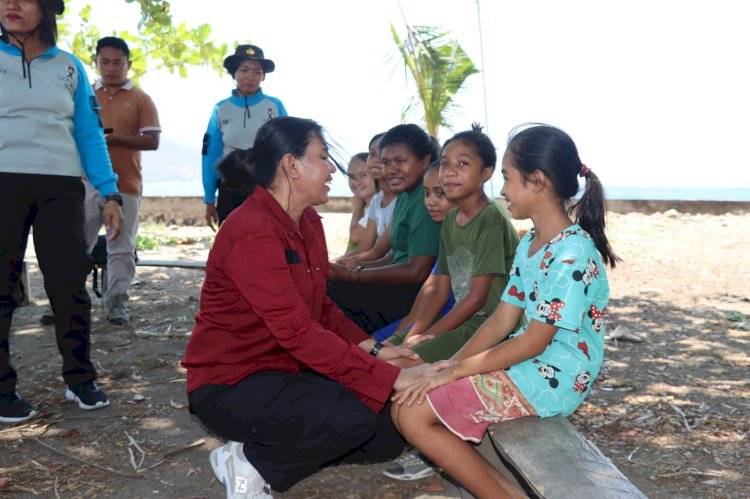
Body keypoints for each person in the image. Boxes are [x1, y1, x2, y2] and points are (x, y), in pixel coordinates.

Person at [182, 116, 425, 498]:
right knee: (357, 414)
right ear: (291, 166)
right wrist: (388, 375)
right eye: (323, 157)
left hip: (286, 370)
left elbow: (321, 308)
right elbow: (297, 331)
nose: (333, 169)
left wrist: (378, 350)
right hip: (232, 382)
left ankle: (278, 446)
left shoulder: (307, 220)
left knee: (387, 436)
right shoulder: (251, 230)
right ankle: (248, 461)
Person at [390, 124, 620, 498]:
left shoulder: (572, 253)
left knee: (414, 413)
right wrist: (450, 365)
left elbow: (533, 341)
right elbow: (502, 317)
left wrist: (457, 371)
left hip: (554, 377)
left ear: (538, 181)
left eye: (508, 179)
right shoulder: (530, 242)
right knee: (407, 403)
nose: (502, 190)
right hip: (528, 364)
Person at [0, 0, 124, 423]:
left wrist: (110, 194)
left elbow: (89, 135)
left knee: (70, 284)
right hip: (3, 183)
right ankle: (2, 390)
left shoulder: (69, 67)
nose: (9, 4)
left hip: (62, 188)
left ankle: (80, 379)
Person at [382, 125, 520, 481]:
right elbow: (440, 288)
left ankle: (429, 447)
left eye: (463, 163)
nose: (450, 172)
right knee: (391, 354)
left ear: (486, 173)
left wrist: (428, 337)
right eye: (445, 164)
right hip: (465, 322)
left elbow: (475, 300)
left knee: (406, 366)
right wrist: (414, 331)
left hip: (488, 326)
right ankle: (425, 443)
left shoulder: (490, 218)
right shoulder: (451, 220)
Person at [328, 124, 441, 333]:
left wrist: (354, 276)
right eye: (386, 162)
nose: (392, 169)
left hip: (413, 295)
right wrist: (353, 269)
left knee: (332, 297)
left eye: (400, 161)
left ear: (425, 161)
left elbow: (417, 271)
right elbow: (393, 256)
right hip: (396, 285)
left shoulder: (425, 201)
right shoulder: (405, 196)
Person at [86, 36, 161, 325]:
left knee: (122, 246)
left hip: (126, 184)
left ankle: (117, 304)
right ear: (96, 62)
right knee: (77, 242)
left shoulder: (141, 98)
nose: (111, 68)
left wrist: (114, 138)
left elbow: (152, 140)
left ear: (129, 64)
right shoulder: (84, 95)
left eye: (118, 62)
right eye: (105, 61)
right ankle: (65, 301)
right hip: (84, 182)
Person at [202, 43, 287, 229]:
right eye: (244, 70)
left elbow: (288, 150)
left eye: (257, 72)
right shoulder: (221, 109)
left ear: (263, 76)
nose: (251, 76)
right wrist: (209, 199)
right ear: (234, 74)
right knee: (232, 241)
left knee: (266, 239)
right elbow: (210, 154)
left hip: (267, 187)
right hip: (230, 187)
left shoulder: (274, 106)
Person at [372, 163, 456, 343]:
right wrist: (400, 336)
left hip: (450, 319)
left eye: (440, 193)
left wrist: (407, 338)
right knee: (373, 343)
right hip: (430, 315)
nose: (430, 201)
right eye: (426, 193)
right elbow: (429, 290)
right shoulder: (446, 233)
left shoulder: (473, 232)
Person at [342, 152, 377, 254]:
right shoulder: (366, 205)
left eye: (363, 175)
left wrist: (356, 209)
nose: (356, 181)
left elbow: (355, 237)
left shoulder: (377, 204)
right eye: (351, 176)